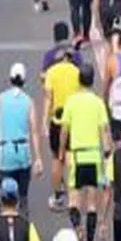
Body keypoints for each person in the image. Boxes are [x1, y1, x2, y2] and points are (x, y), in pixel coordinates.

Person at [59, 63, 112, 241]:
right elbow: (104, 130)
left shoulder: (72, 102)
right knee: (92, 202)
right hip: (93, 155)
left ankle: (77, 227)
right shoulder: (98, 103)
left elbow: (64, 130)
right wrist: (108, 151)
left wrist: (61, 151)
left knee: (73, 200)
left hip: (77, 155)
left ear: (79, 80)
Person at [0, 62, 44, 213]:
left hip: (5, 152)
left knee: (5, 196)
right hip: (23, 153)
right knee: (23, 196)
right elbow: (34, 130)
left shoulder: (1, 99)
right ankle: (24, 226)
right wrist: (38, 157)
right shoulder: (29, 101)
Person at [42, 48, 81, 211]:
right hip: (74, 119)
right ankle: (73, 194)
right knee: (73, 156)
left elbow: (48, 98)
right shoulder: (77, 72)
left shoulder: (51, 72)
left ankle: (58, 195)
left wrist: (44, 120)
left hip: (57, 121)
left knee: (57, 159)